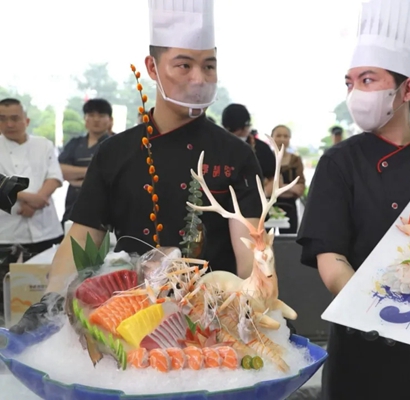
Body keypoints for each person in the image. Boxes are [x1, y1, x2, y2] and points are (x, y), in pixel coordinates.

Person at [9, 0, 265, 335]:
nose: (199, 79)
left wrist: (255, 309)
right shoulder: (115, 152)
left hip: (213, 325)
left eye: (209, 67)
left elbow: (251, 256)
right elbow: (83, 234)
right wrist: (53, 300)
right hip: (125, 324)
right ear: (152, 67)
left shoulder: (235, 154)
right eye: (184, 66)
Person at [297, 1, 410, 398]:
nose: (356, 92)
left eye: (368, 79)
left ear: (406, 88)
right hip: (362, 344)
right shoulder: (340, 161)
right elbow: (330, 256)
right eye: (350, 81)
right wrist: (376, 307)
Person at [0, 98, 64, 317]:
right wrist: (28, 198)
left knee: (45, 294)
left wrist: (38, 201)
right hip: (6, 234)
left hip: (45, 232)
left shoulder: (43, 144)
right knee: (6, 298)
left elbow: (55, 177)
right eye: (2, 119)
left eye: (14, 118)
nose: (9, 124)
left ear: (26, 120)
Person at [59, 99, 112, 225]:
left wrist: (76, 178)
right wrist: (94, 172)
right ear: (85, 118)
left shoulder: (115, 144)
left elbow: (110, 175)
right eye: (91, 115)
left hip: (102, 207)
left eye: (101, 115)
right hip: (72, 205)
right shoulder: (75, 143)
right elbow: (60, 170)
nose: (96, 119)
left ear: (110, 120)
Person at [222, 104, 276, 195]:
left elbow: (274, 179)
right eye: (229, 131)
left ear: (246, 126)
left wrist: (261, 196)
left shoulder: (262, 148)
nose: (233, 136)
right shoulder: (216, 145)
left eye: (238, 131)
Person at [270, 124, 306, 233]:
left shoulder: (295, 160)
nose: (282, 139)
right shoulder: (266, 158)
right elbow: (264, 187)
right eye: (278, 135)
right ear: (272, 138)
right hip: (268, 206)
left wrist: (281, 187)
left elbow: (300, 188)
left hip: (290, 206)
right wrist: (291, 188)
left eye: (286, 136)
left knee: (289, 243)